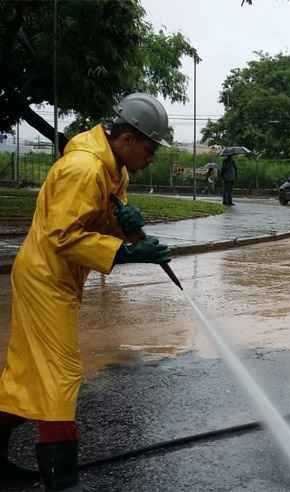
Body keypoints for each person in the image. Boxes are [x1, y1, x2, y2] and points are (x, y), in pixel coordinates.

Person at [0, 92, 172, 491]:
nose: (153, 156)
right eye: (150, 147)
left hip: (59, 276)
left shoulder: (116, 171)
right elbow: (63, 236)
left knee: (26, 375)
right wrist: (128, 252)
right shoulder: (84, 169)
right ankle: (62, 480)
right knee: (60, 373)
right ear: (127, 139)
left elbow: (94, 226)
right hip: (45, 277)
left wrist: (126, 227)